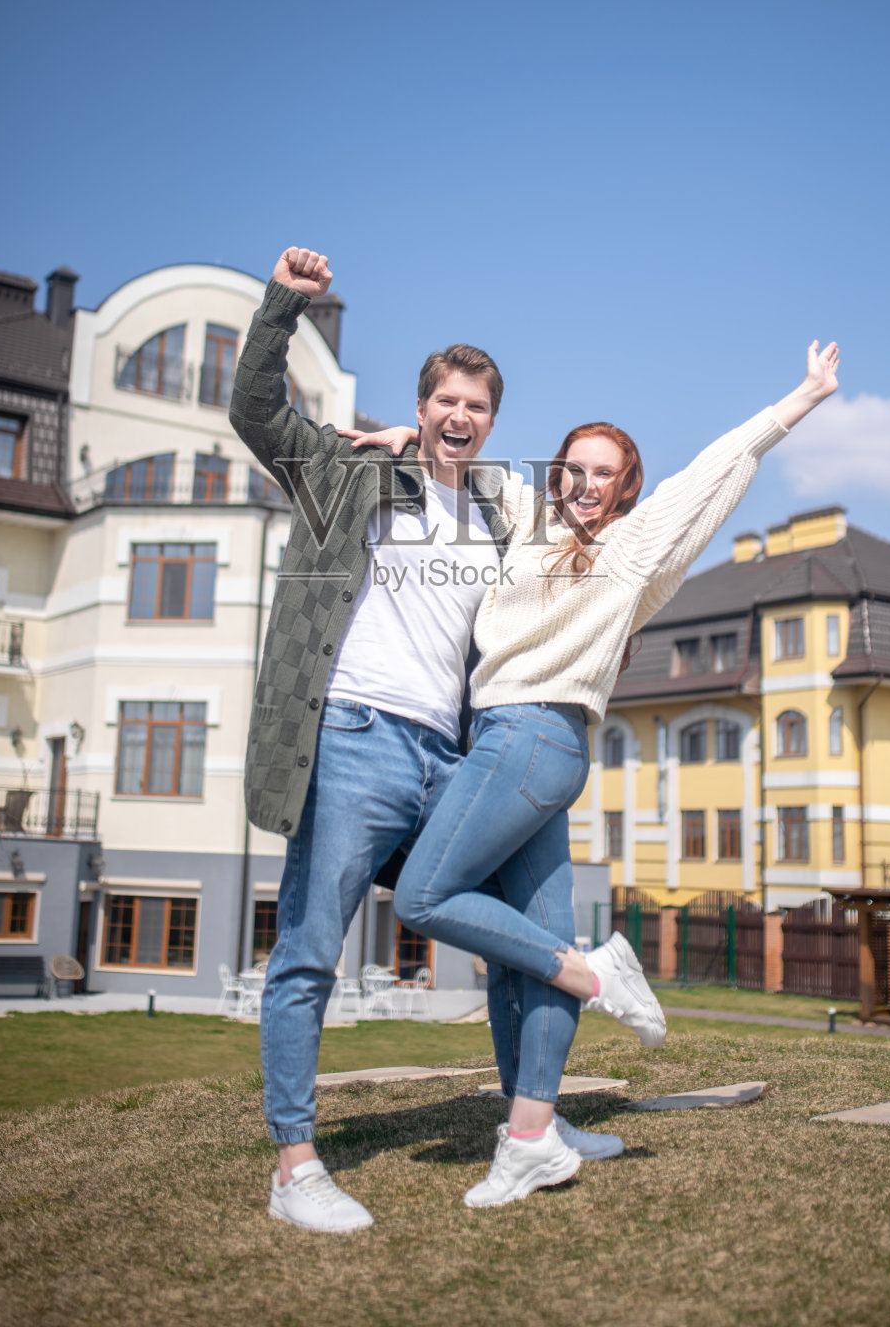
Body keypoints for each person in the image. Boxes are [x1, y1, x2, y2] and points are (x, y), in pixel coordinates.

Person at [351, 336, 840, 1207]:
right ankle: (535, 1131)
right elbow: (458, 458)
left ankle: (594, 972)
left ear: (624, 488)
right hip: (517, 747)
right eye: (573, 468)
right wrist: (401, 435)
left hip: (531, 741)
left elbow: (714, 470)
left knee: (425, 897)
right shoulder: (524, 518)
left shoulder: (634, 547)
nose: (584, 482)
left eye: (603, 473)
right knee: (526, 955)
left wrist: (799, 400)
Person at [228, 245, 623, 1236]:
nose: (458, 417)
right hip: (354, 737)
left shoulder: (495, 510)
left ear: (491, 421)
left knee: (502, 927)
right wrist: (283, 304)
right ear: (423, 403)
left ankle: (528, 1125)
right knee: (310, 953)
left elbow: (580, 535)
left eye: (476, 408)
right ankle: (294, 1164)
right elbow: (254, 409)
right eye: (444, 401)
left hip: (447, 758)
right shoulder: (344, 470)